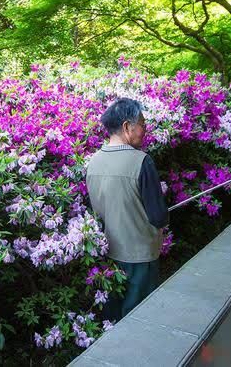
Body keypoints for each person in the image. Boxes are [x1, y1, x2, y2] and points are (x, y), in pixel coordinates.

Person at [86, 97, 168, 322]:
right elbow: (159, 216)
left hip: (106, 257)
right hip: (139, 257)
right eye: (142, 124)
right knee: (138, 318)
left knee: (112, 317)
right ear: (126, 127)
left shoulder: (93, 162)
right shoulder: (142, 161)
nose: (145, 129)